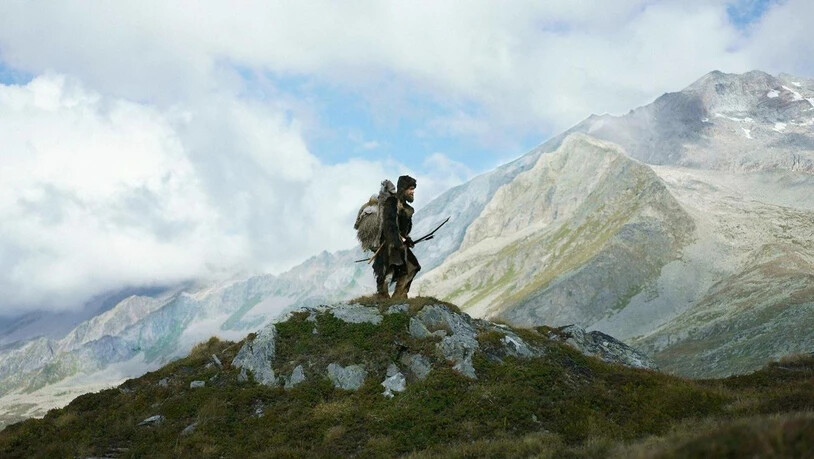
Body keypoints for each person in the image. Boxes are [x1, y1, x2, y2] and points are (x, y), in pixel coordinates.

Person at [372, 175, 421, 299]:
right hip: (389, 245)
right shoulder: (392, 202)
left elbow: (404, 230)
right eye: (410, 189)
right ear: (403, 189)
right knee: (388, 271)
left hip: (400, 245)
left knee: (412, 267)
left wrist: (406, 239)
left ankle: (399, 295)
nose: (413, 192)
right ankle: (382, 296)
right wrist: (397, 241)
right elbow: (389, 225)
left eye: (413, 189)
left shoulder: (407, 209)